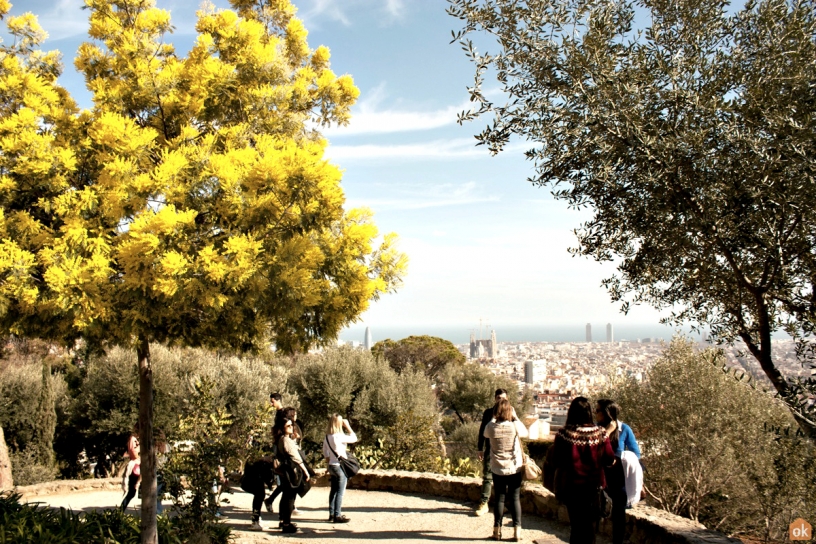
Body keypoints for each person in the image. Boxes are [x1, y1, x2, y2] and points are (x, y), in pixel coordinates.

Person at [551, 397, 615, 544]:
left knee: (576, 528)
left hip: (571, 489)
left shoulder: (563, 434)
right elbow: (609, 459)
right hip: (594, 490)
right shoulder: (600, 434)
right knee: (591, 530)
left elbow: (556, 461)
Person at [596, 399, 642, 544]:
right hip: (601, 474)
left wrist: (624, 458)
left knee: (619, 511)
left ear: (606, 413)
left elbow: (636, 452)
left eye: (598, 411)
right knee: (598, 508)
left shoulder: (624, 429)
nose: (595, 413)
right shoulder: (596, 430)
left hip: (619, 475)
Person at [483, 398, 528, 542]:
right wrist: (515, 417)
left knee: (499, 500)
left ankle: (497, 531)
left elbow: (485, 434)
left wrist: (494, 417)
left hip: (498, 469)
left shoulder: (490, 427)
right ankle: (517, 532)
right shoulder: (514, 426)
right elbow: (525, 433)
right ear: (510, 411)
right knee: (515, 499)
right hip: (513, 467)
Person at [475, 388, 509, 516]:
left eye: (503, 398)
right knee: (488, 476)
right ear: (495, 399)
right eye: (499, 398)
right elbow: (482, 431)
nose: (501, 401)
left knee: (504, 477)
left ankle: (502, 504)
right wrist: (480, 448)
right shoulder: (488, 413)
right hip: (490, 449)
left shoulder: (510, 413)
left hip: (506, 450)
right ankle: (484, 503)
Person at [274, 416, 310, 534]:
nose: (291, 427)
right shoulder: (286, 440)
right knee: (290, 498)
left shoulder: (282, 439)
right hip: (291, 471)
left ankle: (284, 521)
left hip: (285, 472)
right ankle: (286, 524)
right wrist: (305, 471)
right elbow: (296, 457)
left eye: (292, 425)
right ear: (283, 428)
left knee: (286, 497)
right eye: (288, 426)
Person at [265, 407, 303, 515]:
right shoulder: (286, 429)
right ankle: (285, 516)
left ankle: (286, 510)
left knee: (286, 487)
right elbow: (289, 448)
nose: (296, 416)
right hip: (289, 462)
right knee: (288, 487)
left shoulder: (290, 427)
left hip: (288, 461)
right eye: (295, 414)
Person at [323, 414, 358, 523]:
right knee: (340, 492)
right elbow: (354, 438)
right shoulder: (339, 436)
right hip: (340, 466)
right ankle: (337, 515)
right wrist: (348, 426)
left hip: (332, 466)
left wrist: (329, 463)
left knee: (333, 490)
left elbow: (325, 453)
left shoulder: (327, 437)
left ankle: (332, 513)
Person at [241, 456, 278, 531]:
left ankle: (256, 519)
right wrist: (270, 485)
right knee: (259, 496)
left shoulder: (266, 460)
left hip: (251, 478)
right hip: (252, 479)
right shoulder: (266, 462)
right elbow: (267, 476)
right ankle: (255, 521)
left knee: (260, 496)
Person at [121, 422, 141, 511]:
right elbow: (134, 453)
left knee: (133, 492)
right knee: (132, 492)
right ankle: (121, 510)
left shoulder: (137, 439)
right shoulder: (133, 439)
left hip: (139, 464)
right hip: (136, 466)